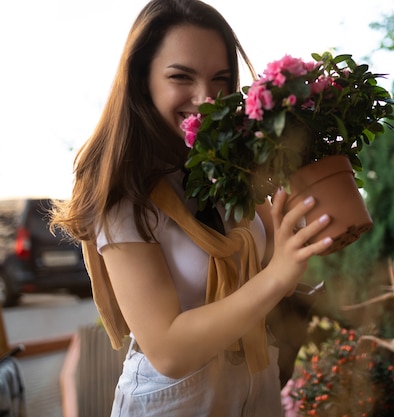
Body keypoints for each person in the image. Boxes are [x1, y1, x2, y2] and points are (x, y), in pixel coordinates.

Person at [49, 0, 332, 415]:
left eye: (220, 80)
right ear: (142, 79)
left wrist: (305, 193)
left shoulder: (228, 168)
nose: (206, 99)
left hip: (255, 388)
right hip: (174, 401)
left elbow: (275, 257)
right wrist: (276, 277)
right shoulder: (125, 193)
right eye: (181, 77)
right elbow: (167, 348)